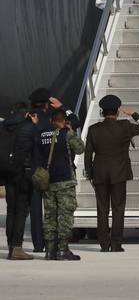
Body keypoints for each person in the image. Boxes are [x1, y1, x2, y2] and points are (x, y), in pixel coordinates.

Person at [84, 95, 139, 252]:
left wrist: (89, 173)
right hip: (119, 174)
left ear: (102, 112)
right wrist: (134, 114)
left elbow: (88, 155)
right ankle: (116, 244)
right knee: (118, 209)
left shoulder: (93, 129)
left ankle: (103, 244)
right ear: (117, 112)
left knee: (102, 209)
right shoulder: (125, 126)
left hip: (99, 174)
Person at [28, 87, 80, 252]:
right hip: (56, 173)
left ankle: (39, 245)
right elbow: (74, 120)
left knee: (38, 209)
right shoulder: (51, 121)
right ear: (47, 105)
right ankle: (60, 246)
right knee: (61, 211)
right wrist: (62, 106)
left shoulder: (29, 119)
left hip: (33, 170)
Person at [35, 109, 84, 260]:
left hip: (48, 182)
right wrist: (70, 131)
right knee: (65, 215)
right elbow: (80, 148)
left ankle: (49, 251)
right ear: (63, 121)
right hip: (65, 181)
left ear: (51, 120)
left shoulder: (41, 134)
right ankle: (63, 250)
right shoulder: (66, 133)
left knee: (50, 216)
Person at [2, 103, 35, 260]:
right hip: (22, 173)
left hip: (7, 172)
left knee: (10, 210)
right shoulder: (27, 126)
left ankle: (10, 246)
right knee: (21, 210)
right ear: (26, 113)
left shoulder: (3, 126)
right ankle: (17, 247)